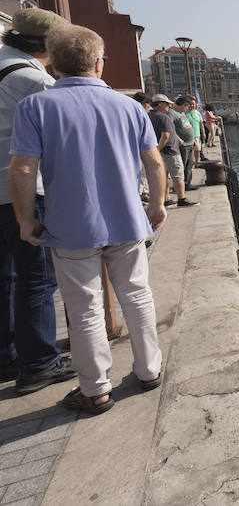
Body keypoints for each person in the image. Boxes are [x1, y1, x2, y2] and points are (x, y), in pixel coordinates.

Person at [9, 24, 167, 413]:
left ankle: (95, 388)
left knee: (84, 307)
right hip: (127, 221)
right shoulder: (131, 107)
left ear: (54, 63)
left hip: (70, 225)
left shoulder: (36, 107)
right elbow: (154, 160)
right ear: (98, 63)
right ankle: (149, 370)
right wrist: (158, 204)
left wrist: (25, 219)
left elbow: (24, 169)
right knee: (137, 295)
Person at [0, 8, 76, 394]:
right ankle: (40, 363)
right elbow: (74, 120)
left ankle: (9, 354)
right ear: (50, 45)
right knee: (37, 277)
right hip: (23, 190)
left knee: (6, 276)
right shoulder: (31, 79)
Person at [148, 94, 196, 207]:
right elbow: (165, 135)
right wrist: (158, 149)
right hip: (170, 150)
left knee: (164, 176)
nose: (169, 106)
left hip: (159, 150)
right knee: (178, 175)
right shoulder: (163, 117)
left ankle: (166, 199)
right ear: (160, 104)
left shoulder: (150, 115)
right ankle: (182, 198)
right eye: (167, 104)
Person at [170, 96, 197, 191]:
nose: (188, 109)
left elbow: (186, 126)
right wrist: (178, 139)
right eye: (187, 107)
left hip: (189, 143)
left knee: (190, 164)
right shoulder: (172, 113)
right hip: (183, 145)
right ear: (183, 105)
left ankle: (187, 184)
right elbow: (170, 128)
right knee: (183, 165)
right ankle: (179, 186)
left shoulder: (182, 113)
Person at [185, 97, 204, 163]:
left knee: (197, 149)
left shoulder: (197, 113)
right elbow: (184, 125)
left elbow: (201, 123)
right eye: (190, 104)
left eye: (193, 104)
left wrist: (203, 133)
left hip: (197, 135)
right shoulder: (184, 113)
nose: (191, 105)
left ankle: (197, 162)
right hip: (188, 135)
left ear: (195, 104)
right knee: (190, 151)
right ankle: (190, 163)